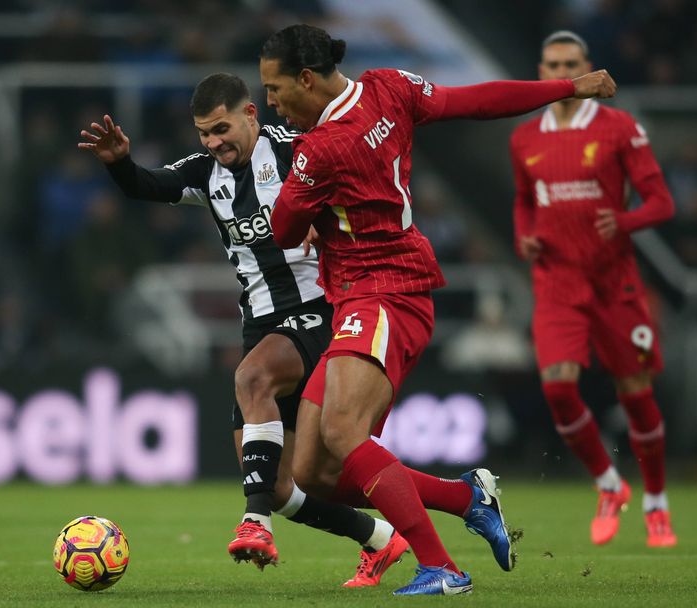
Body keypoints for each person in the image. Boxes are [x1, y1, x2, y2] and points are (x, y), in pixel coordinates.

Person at [260, 24, 616, 595]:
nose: (271, 102)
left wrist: (301, 200)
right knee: (313, 471)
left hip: (383, 293)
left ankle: (442, 568)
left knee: (344, 432)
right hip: (373, 293)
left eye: (275, 89)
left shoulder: (320, 150)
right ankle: (465, 497)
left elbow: (282, 230)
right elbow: (473, 101)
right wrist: (565, 87)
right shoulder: (389, 87)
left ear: (306, 79)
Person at [77, 72, 410, 588]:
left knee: (251, 380)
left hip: (323, 310)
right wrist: (120, 162)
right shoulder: (204, 173)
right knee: (279, 486)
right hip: (261, 322)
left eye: (221, 129)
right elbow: (149, 186)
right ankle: (382, 537)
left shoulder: (298, 150)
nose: (213, 143)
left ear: (251, 114)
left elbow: (361, 174)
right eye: (203, 134)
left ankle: (254, 524)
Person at [508, 31, 677, 548]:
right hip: (557, 282)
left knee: (635, 393)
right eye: (554, 64)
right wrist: (524, 238)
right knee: (558, 388)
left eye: (572, 63)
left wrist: (622, 222)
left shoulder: (619, 128)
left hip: (614, 282)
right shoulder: (524, 139)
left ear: (587, 68)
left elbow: (662, 203)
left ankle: (656, 503)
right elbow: (523, 201)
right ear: (542, 71)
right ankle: (608, 483)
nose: (563, 72)